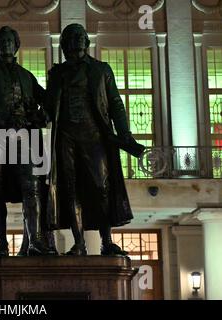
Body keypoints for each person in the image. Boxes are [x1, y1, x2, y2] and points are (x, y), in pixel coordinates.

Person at [44, 24, 144, 256]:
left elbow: (116, 104)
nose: (77, 40)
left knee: (101, 186)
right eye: (72, 37)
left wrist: (125, 135)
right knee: (70, 189)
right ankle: (79, 243)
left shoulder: (101, 70)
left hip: (95, 136)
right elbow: (48, 108)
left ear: (87, 42)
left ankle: (106, 240)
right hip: (66, 137)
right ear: (65, 43)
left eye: (81, 37)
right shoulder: (57, 73)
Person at [0, 26, 53, 256]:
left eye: (10, 40)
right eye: (2, 40)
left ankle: (35, 241)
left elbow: (46, 101)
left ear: (16, 45)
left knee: (32, 187)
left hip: (23, 138)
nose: (6, 44)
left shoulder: (27, 76)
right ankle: (2, 245)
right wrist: (7, 118)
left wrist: (41, 114)